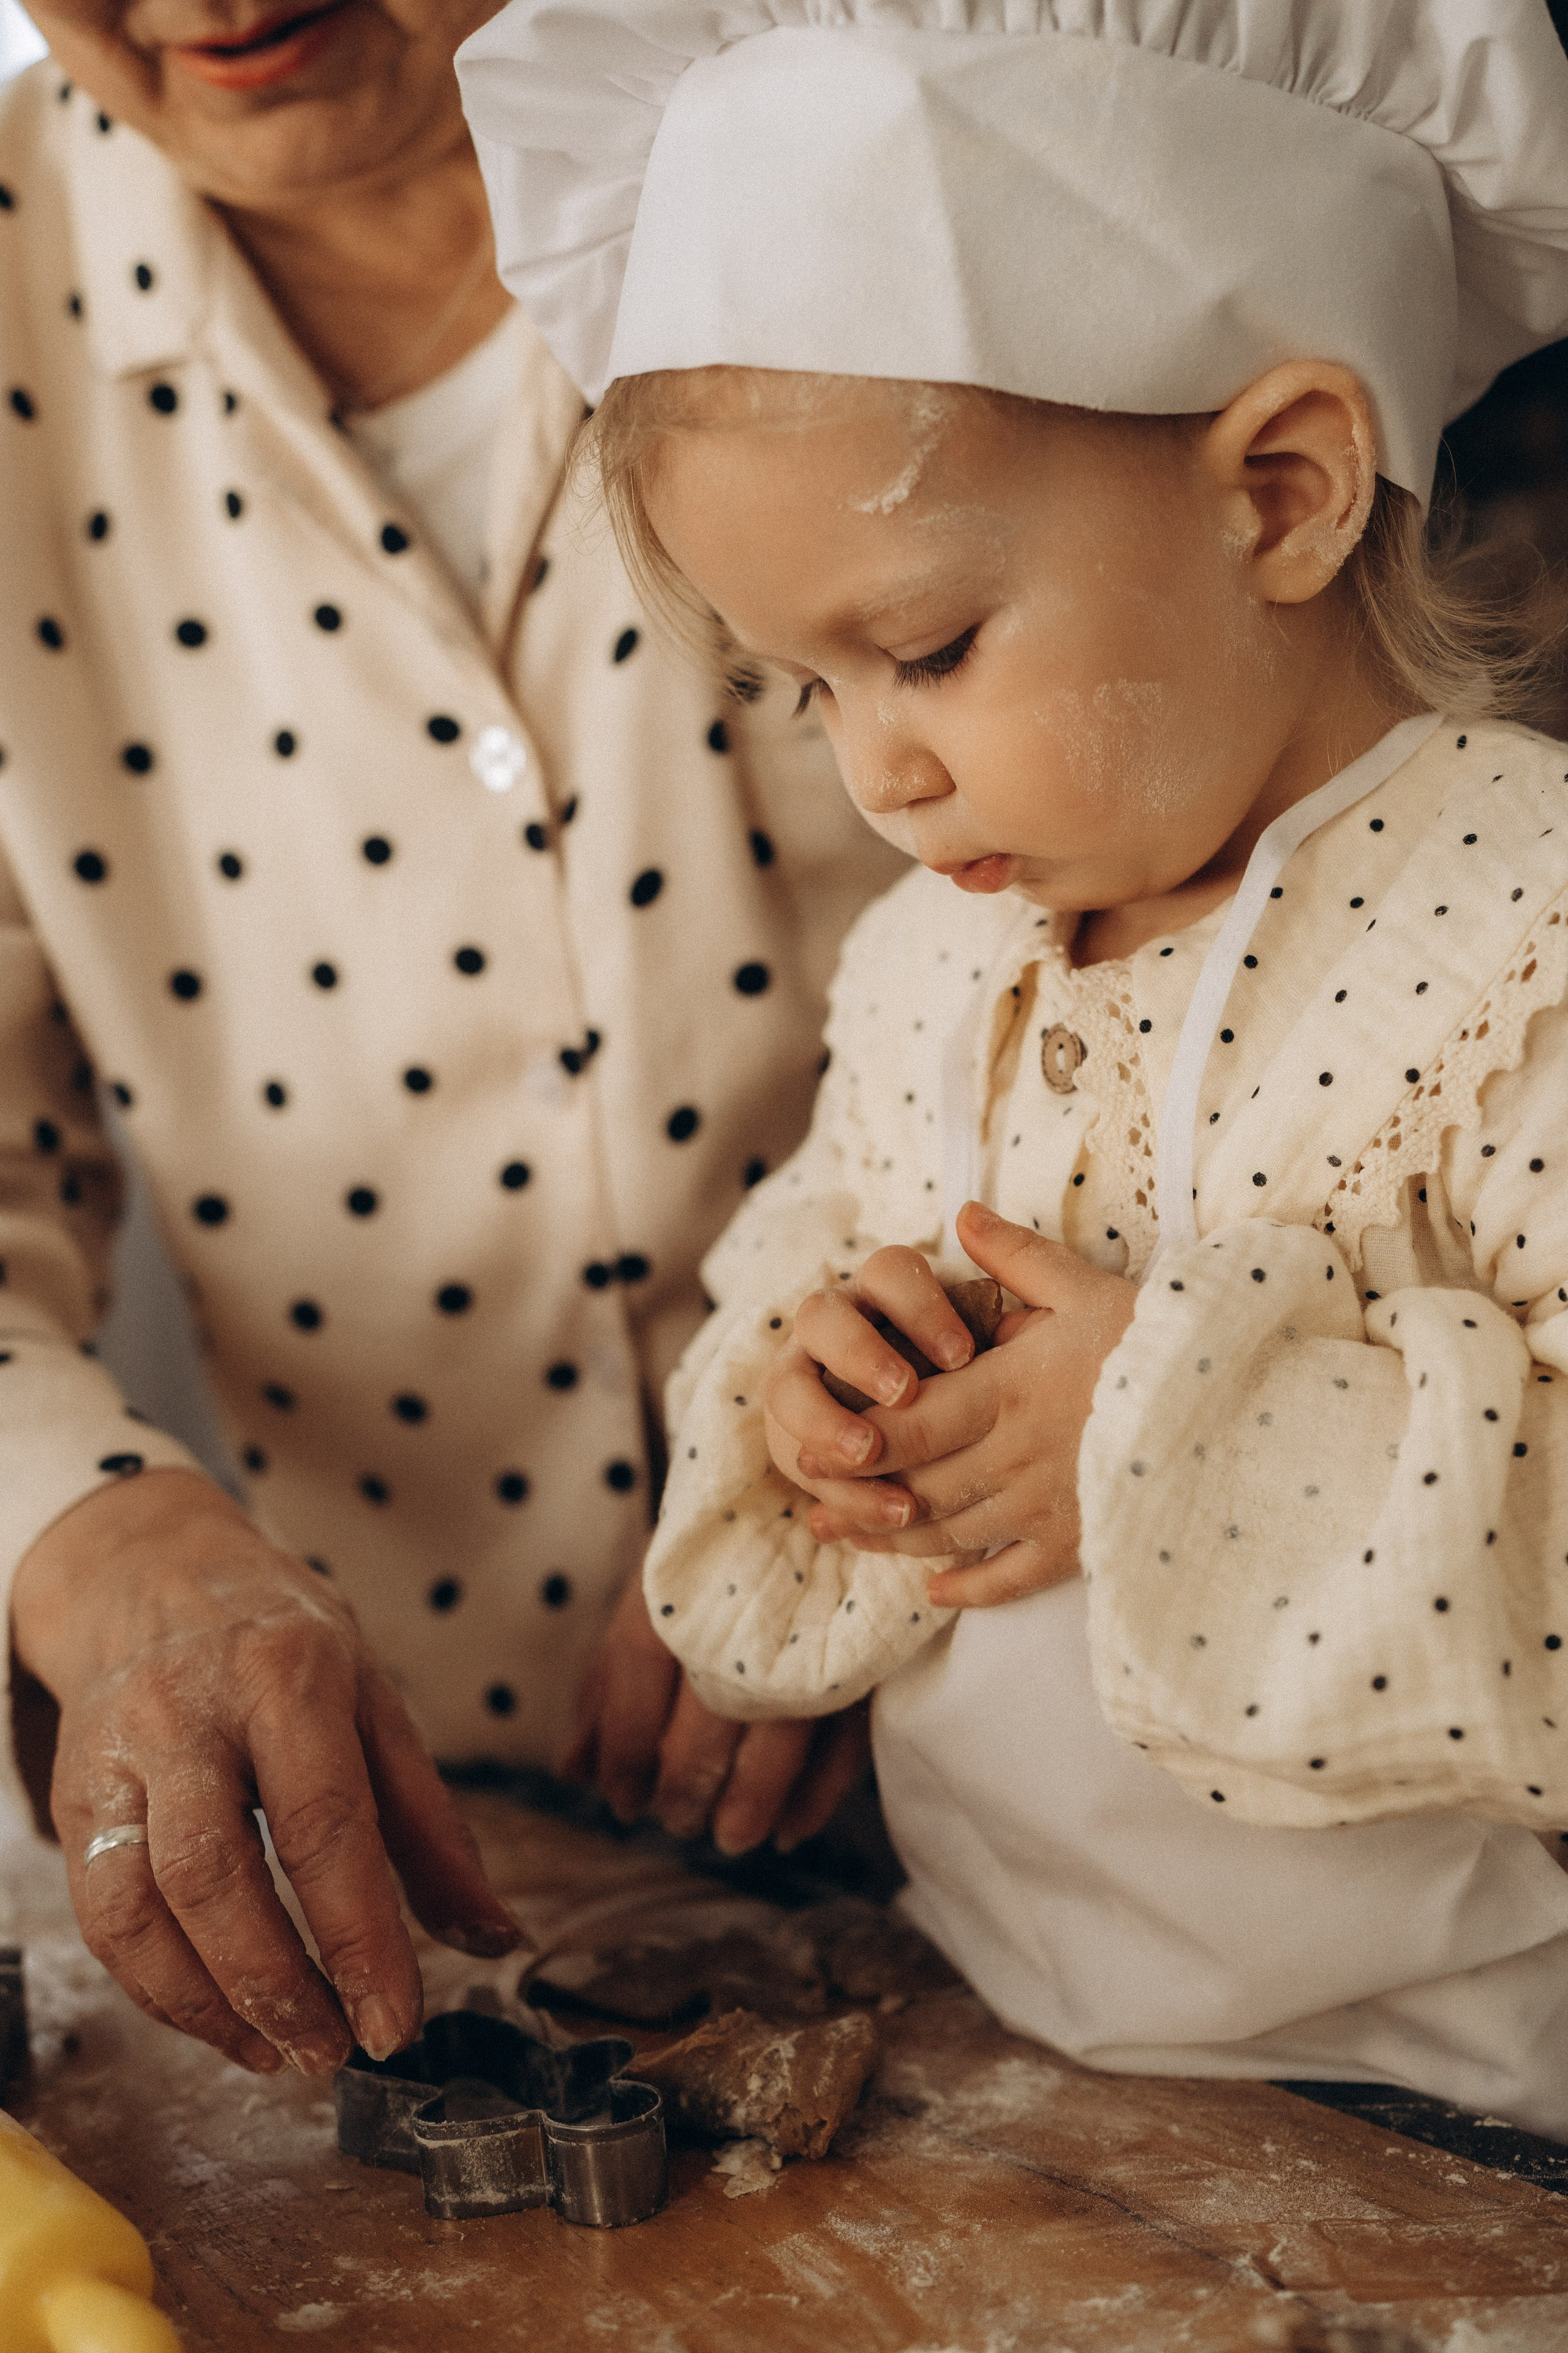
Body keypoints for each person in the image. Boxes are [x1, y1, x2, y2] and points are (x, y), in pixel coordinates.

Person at [460, 0, 1568, 2135]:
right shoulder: (926, 959)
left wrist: (1168, 1420)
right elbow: (815, 1238)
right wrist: (817, 1374)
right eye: (804, 686)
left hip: (1480, 2108)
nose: (877, 766)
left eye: (932, 648)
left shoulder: (1516, 936)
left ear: (1284, 490)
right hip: (1010, 2053)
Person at [0, 4, 902, 2083]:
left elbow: (1291, 893)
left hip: (1145, 1798)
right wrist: (101, 1535)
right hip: (483, 1873)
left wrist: (895, 1419)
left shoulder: (902, 126)